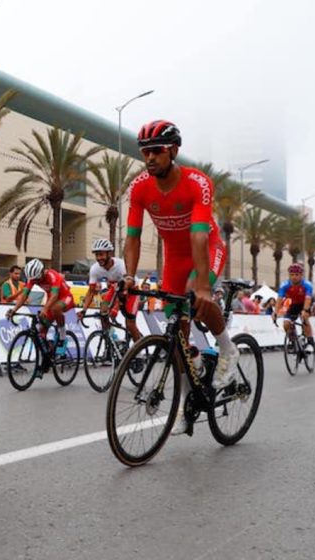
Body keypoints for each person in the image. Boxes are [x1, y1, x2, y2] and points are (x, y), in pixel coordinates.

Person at [123, 120, 238, 436]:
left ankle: (228, 348)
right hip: (174, 258)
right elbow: (132, 237)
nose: (150, 158)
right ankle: (188, 401)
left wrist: (202, 284)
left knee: (197, 298)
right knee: (177, 333)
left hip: (206, 246)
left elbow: (200, 235)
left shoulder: (196, 182)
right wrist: (130, 276)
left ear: (173, 150)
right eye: (145, 152)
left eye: (157, 151)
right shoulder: (140, 188)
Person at [6, 259, 74, 358]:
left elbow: (55, 296)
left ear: (42, 271)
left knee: (55, 309)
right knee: (39, 330)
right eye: (34, 280)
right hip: (51, 301)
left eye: (37, 279)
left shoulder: (53, 275)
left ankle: (62, 336)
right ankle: (48, 351)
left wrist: (45, 309)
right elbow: (24, 296)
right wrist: (14, 310)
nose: (36, 281)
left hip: (65, 297)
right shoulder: (32, 278)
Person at [77, 238, 142, 341]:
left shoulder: (121, 265)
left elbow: (129, 283)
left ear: (109, 254)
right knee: (102, 311)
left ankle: (138, 350)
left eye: (101, 254)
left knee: (130, 324)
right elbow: (91, 291)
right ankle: (112, 341)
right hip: (116, 288)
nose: (99, 258)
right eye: (97, 255)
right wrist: (84, 310)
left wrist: (118, 302)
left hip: (132, 290)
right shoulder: (95, 269)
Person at [273, 263, 314, 350]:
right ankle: (293, 342)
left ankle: (310, 343)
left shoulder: (307, 285)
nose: (294, 277)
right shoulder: (285, 285)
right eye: (292, 275)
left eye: (296, 275)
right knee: (286, 324)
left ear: (301, 275)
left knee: (305, 318)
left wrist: (305, 310)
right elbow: (279, 299)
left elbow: (308, 299)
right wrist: (275, 312)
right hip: (292, 304)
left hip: (304, 304)